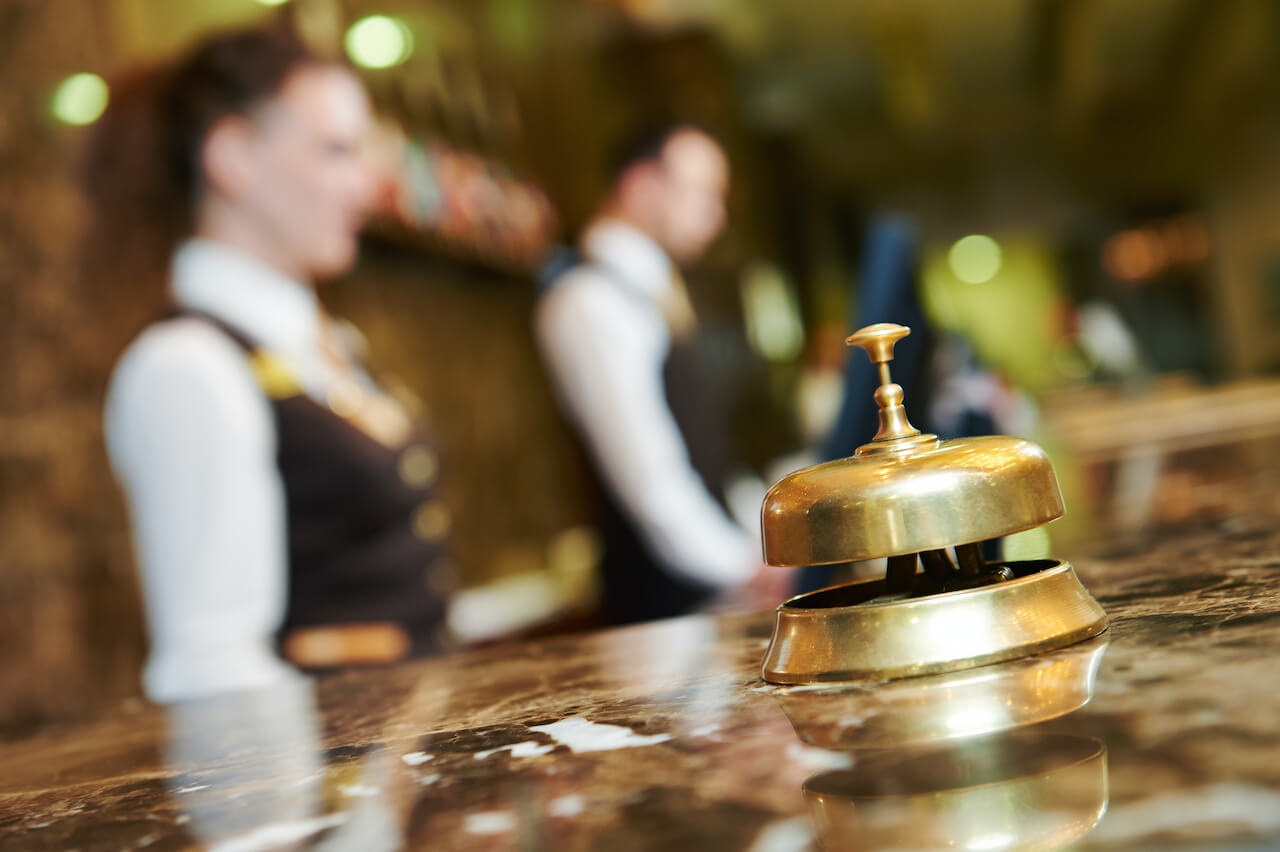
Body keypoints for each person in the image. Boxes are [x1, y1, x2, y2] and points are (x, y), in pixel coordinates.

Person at [88, 25, 451, 702]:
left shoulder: (318, 341)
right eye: (336, 151)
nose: (366, 184)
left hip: (403, 768)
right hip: (333, 789)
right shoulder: (188, 366)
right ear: (233, 158)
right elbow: (214, 667)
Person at [535, 124, 780, 625]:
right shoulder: (591, 299)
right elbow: (651, 482)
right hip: (663, 610)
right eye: (703, 194)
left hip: (706, 594)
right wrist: (746, 570)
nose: (717, 215)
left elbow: (709, 459)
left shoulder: (651, 292)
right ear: (642, 186)